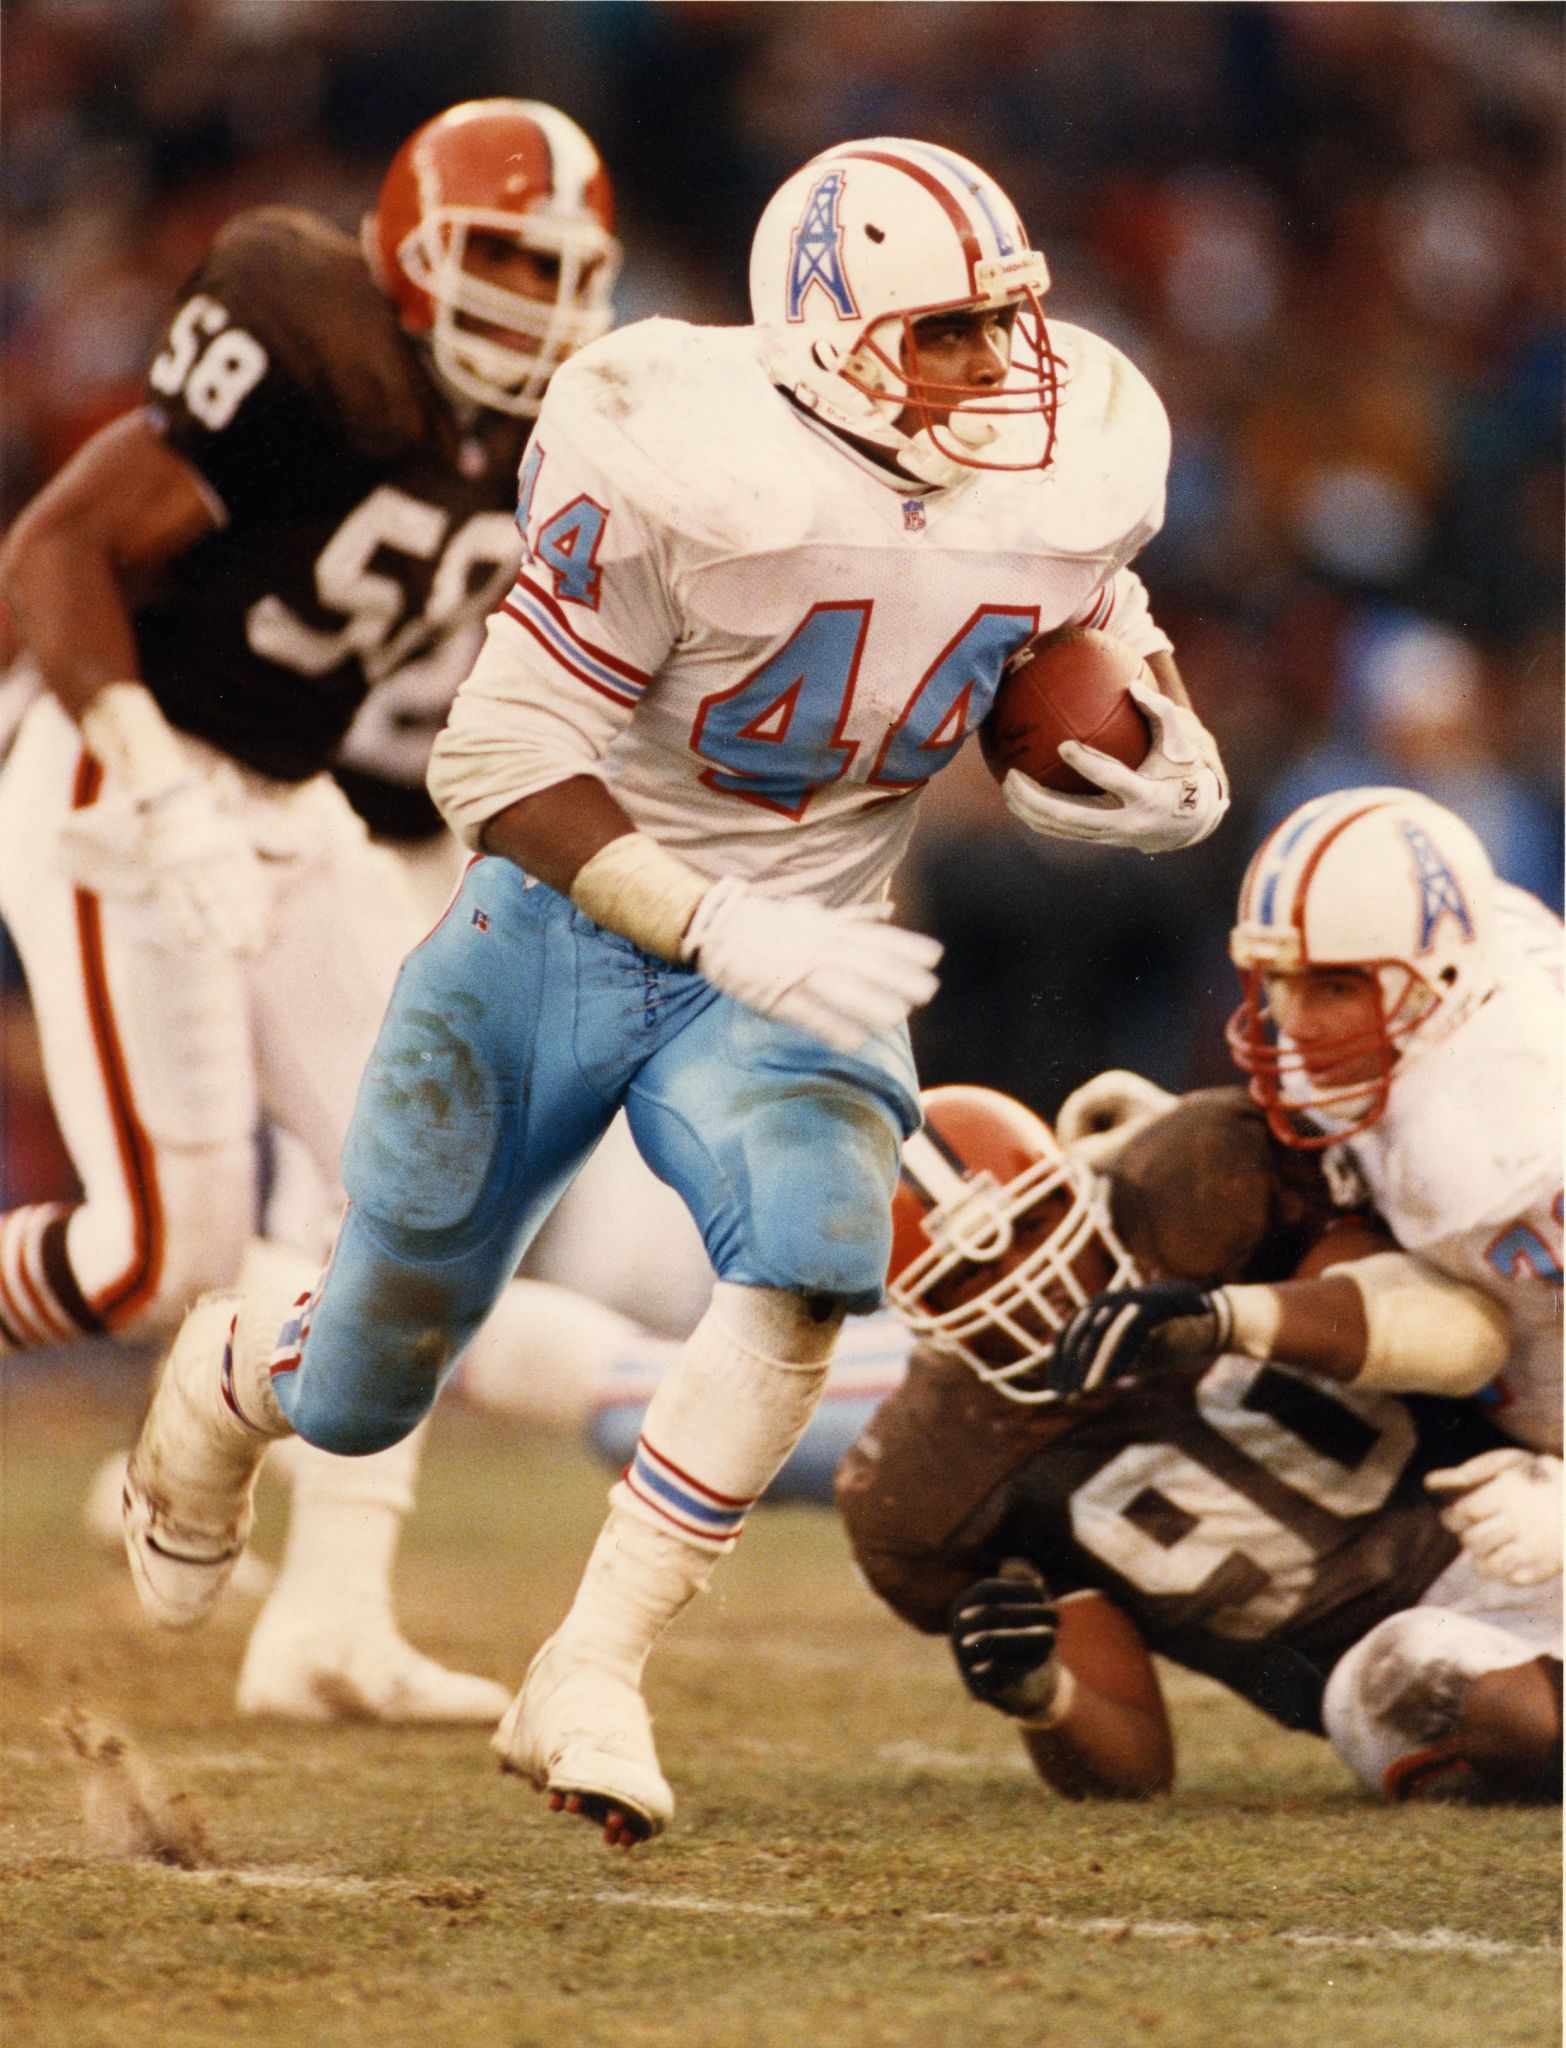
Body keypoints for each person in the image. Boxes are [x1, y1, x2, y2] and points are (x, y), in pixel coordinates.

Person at [122, 135, 1229, 1846]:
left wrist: (1142, 732)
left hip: (819, 939)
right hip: (568, 922)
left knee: (807, 1261)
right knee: (371, 1366)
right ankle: (227, 1375)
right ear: (822, 331)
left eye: (1008, 322)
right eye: (946, 332)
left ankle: (596, 1660)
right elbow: (494, 756)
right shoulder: (676, 447)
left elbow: (1078, 613)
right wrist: (710, 923)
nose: (998, 368)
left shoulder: (1070, 450)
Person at [0, 98, 621, 1722]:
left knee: (429, 1186)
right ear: (406, 251)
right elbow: (53, 549)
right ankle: (199, 1444)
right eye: (494, 257)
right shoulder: (311, 341)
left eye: (560, 269)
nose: (529, 301)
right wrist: (143, 773)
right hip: (116, 764)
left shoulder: (567, 426)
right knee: (163, 1254)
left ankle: (330, 1619)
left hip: (293, 799)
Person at [836, 1082, 1562, 1803]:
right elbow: (1139, 1768)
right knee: (1510, 1717)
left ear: (1074, 1187)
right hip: (1384, 1655)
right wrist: (1042, 1694)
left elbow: (1461, 1334)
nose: (1026, 1278)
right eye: (965, 1276)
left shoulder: (1193, 1199)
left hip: (1520, 1513)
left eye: (1032, 1223)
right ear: (919, 1311)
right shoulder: (946, 1472)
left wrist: (1226, 1316)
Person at [1045, 791, 1562, 1590]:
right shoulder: (1454, 955)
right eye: (1280, 980)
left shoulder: (1519, 1139)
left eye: (1334, 988)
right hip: (1485, 1411)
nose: (1297, 1021)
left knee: (1401, 1693)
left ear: (1441, 979)